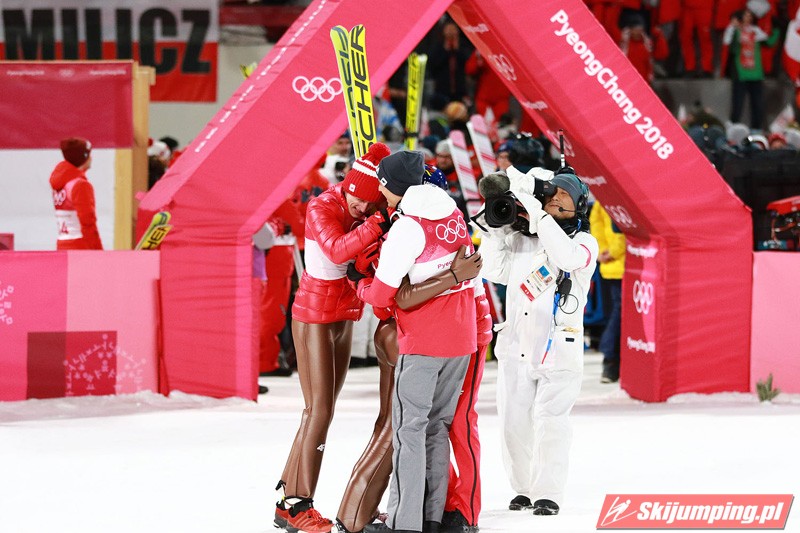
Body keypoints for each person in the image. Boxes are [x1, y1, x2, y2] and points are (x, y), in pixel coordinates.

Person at [334, 167, 489, 533]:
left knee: (410, 430)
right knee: (438, 427)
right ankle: (432, 518)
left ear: (393, 186)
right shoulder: (453, 212)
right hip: (462, 337)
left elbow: (384, 296)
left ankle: (404, 523)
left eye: (382, 185)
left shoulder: (407, 227)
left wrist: (359, 284)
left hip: (424, 340)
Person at [274, 142, 393, 533]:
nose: (362, 207)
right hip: (314, 315)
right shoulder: (322, 206)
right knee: (319, 410)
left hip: (344, 314)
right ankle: (297, 504)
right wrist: (377, 223)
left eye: (370, 202)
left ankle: (288, 500)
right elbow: (337, 249)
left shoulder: (372, 209)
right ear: (347, 185)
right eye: (357, 198)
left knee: (320, 409)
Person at [476, 166, 598, 516]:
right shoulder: (522, 240)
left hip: (559, 349)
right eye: (552, 192)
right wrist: (495, 231)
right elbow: (493, 271)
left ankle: (548, 492)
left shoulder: (583, 243)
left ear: (579, 205)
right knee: (513, 423)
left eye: (565, 194)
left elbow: (565, 258)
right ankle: (524, 488)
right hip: (516, 346)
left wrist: (538, 214)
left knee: (551, 422)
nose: (556, 198)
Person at [721, 9, 779, 130]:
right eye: (745, 15)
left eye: (750, 16)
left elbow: (769, 42)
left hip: (756, 74)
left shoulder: (755, 31)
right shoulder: (735, 31)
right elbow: (727, 43)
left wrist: (777, 29)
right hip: (740, 73)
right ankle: (734, 129)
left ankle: (756, 130)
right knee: (738, 103)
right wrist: (732, 26)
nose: (748, 18)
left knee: (758, 104)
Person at [589, 202, 626, 383]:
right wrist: (611, 252)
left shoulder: (601, 201)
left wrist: (601, 252)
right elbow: (623, 232)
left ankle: (611, 364)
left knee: (615, 314)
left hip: (608, 266)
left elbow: (595, 224)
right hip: (623, 266)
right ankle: (610, 359)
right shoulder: (618, 199)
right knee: (619, 316)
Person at [50, 137, 103, 250]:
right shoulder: (80, 185)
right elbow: (88, 223)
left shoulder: (61, 183)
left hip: (62, 245)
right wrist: (98, 251)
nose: (91, 158)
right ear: (84, 157)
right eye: (89, 154)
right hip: (80, 246)